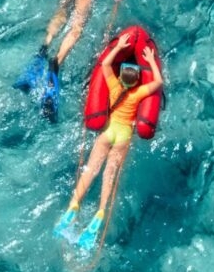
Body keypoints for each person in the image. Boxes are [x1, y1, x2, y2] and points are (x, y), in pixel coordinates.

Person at [53, 32, 163, 253]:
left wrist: (118, 46)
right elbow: (158, 82)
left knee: (91, 170)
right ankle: (101, 212)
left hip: (107, 133)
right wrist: (151, 60)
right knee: (109, 174)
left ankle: (73, 206)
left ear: (122, 76)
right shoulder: (138, 93)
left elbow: (105, 64)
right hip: (122, 137)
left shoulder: (114, 85)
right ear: (137, 80)